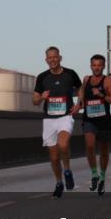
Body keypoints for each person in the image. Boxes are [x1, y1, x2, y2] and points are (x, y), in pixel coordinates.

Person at [33, 46, 82, 199]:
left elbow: (81, 89)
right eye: (50, 58)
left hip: (65, 117)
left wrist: (79, 103)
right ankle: (59, 182)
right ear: (46, 60)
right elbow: (34, 101)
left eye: (55, 57)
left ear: (60, 58)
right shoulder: (42, 77)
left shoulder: (70, 74)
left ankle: (67, 171)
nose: (53, 60)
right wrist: (42, 97)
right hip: (49, 119)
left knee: (63, 145)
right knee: (54, 157)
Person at [79, 54, 111, 196]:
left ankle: (102, 178)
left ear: (104, 66)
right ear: (91, 66)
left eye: (99, 65)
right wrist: (79, 103)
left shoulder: (108, 81)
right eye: (94, 65)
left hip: (104, 121)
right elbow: (82, 92)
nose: (96, 68)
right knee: (89, 145)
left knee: (103, 152)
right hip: (89, 119)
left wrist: (102, 95)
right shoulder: (86, 79)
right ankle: (94, 174)